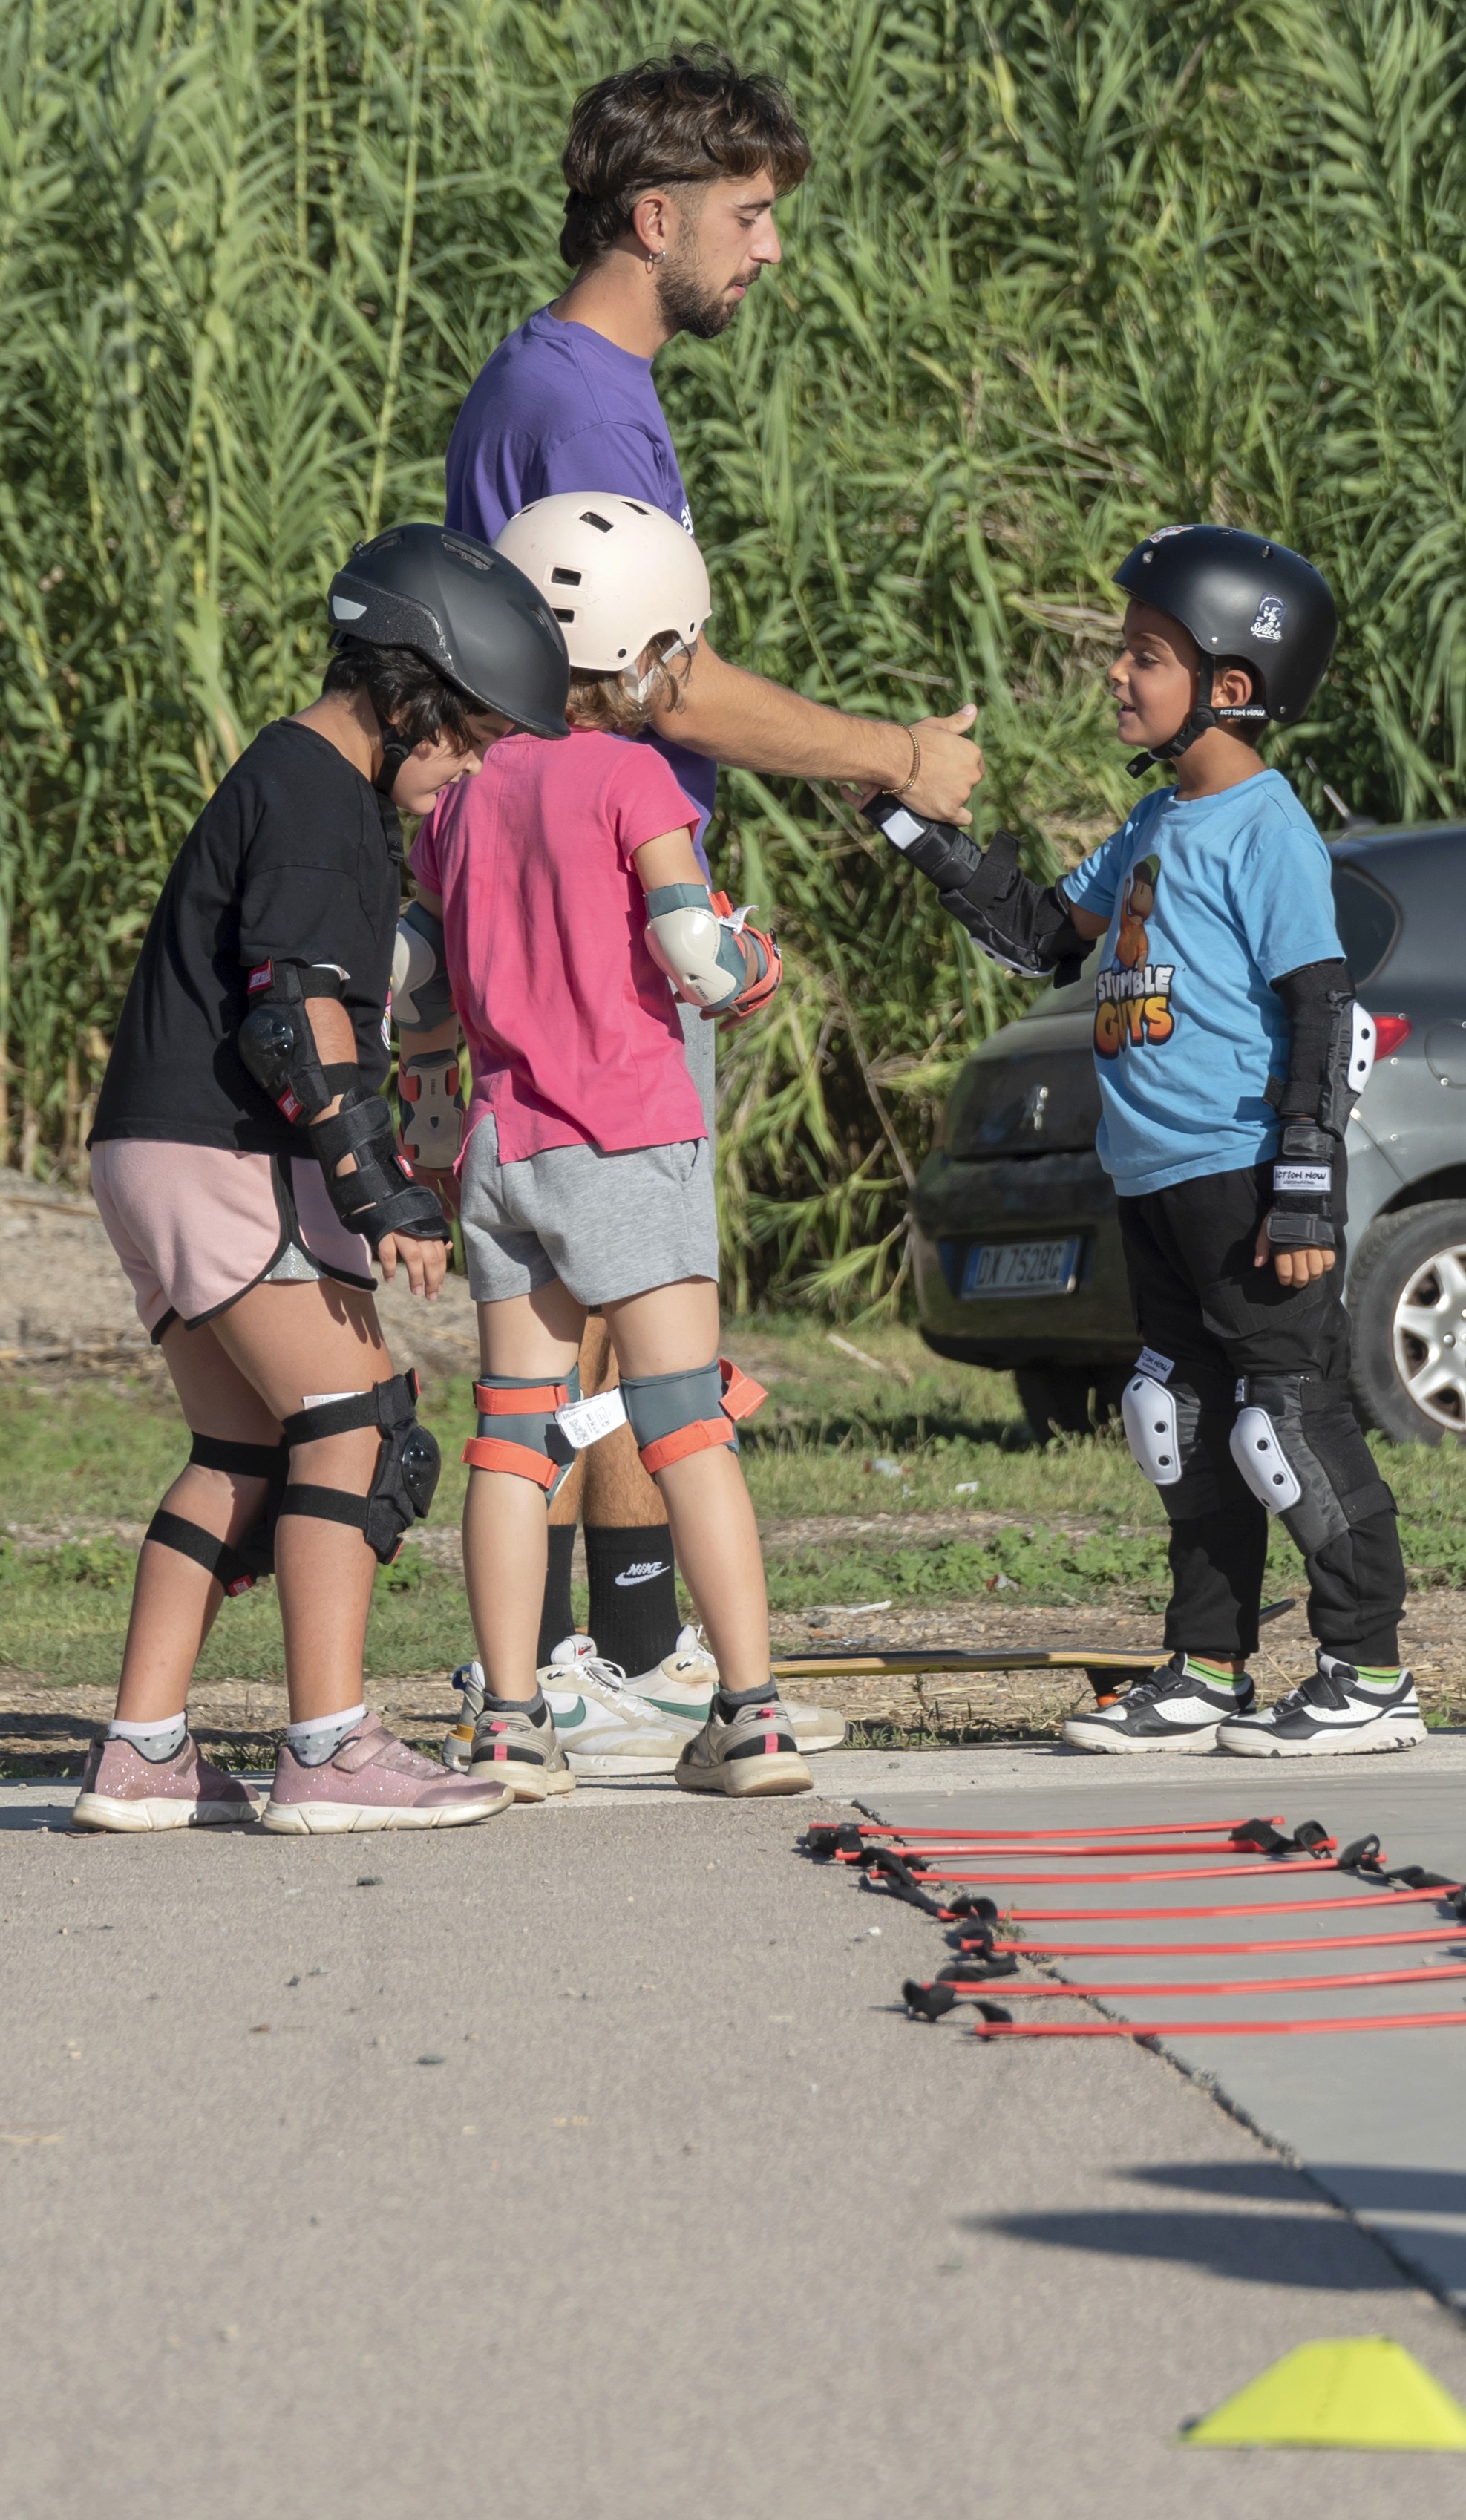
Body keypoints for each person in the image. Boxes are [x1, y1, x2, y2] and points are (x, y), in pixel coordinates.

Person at [440, 48, 984, 1698]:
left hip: (569, 883)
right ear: (654, 217)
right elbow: (661, 682)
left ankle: (605, 1648)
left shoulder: (550, 379)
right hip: (609, 899)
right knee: (625, 1283)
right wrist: (896, 755)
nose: (770, 248)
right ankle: (589, 1662)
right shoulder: (586, 402)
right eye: (747, 215)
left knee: (595, 1297)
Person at [868, 524, 1420, 1758]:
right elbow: (1040, 938)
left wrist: (1305, 1187)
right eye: (1122, 651)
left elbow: (1325, 1009)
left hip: (1243, 1172)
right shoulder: (1155, 823)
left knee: (1286, 1423)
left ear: (1233, 684)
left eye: (1146, 655)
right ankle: (1210, 1667)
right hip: (1155, 1174)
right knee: (1177, 1417)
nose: (1117, 673)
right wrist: (905, 822)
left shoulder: (1266, 827)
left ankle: (1370, 1670)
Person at [73, 524, 573, 1833]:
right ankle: (332, 1751)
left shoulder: (287, 779)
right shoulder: (318, 797)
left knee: (241, 1449)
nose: (468, 767)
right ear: (407, 695)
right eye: (467, 737)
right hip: (233, 1153)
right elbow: (292, 1015)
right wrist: (377, 1187)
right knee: (361, 1429)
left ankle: (142, 1752)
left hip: (149, 1147)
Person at [399, 494, 812, 1797]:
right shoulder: (637, 779)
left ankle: (513, 1724)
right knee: (686, 1423)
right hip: (629, 1142)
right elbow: (694, 954)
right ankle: (750, 1717)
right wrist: (755, 966)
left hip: (503, 1148)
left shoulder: (459, 799)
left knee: (514, 1441)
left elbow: (421, 998)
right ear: (643, 655)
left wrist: (426, 1135)